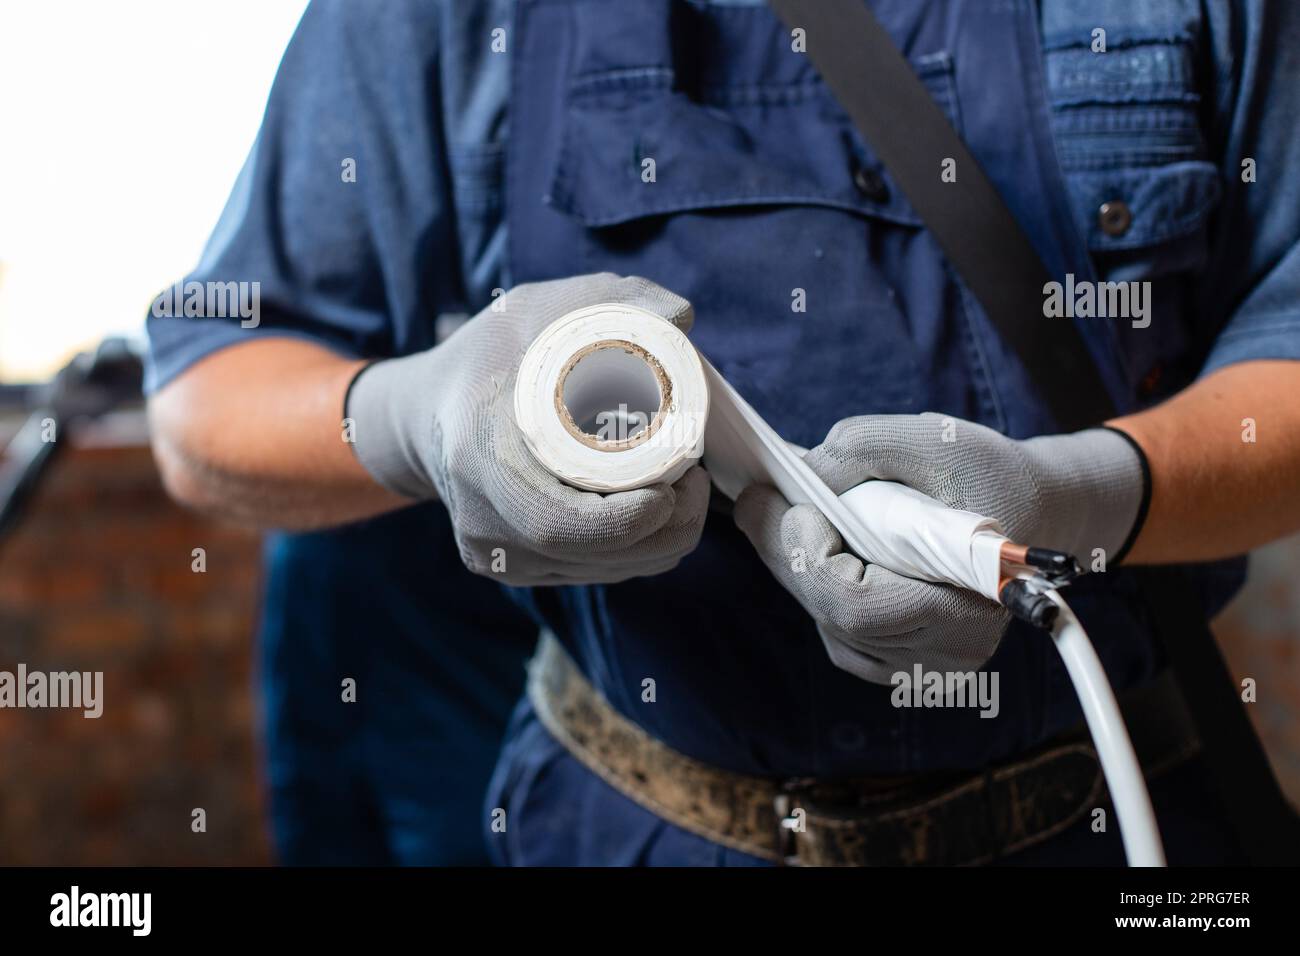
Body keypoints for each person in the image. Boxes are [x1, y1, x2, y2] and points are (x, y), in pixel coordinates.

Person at [147, 0, 1300, 866]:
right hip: (625, 827)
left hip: (1123, 819)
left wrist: (1087, 495)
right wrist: (413, 419)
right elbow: (207, 399)